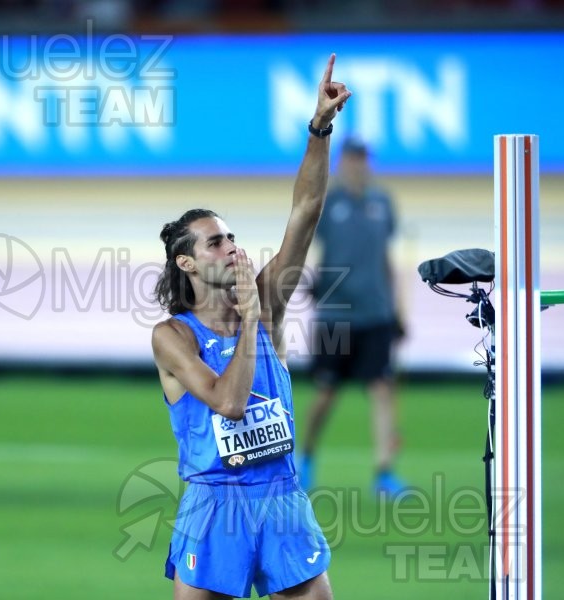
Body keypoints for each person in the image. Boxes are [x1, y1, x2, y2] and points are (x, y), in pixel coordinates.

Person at [151, 54, 350, 600]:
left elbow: (305, 210)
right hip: (216, 505)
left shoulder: (264, 297)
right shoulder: (174, 336)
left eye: (232, 237)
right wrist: (252, 324)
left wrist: (320, 128)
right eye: (215, 242)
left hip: (282, 494)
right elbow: (229, 404)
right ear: (187, 264)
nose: (232, 246)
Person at [295, 135, 407, 496]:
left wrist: (397, 309)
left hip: (375, 313)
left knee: (382, 389)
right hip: (335, 314)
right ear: (341, 162)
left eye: (363, 158)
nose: (358, 165)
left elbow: (386, 258)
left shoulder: (382, 202)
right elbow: (308, 245)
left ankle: (384, 473)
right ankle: (306, 456)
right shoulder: (328, 202)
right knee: (326, 392)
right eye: (352, 158)